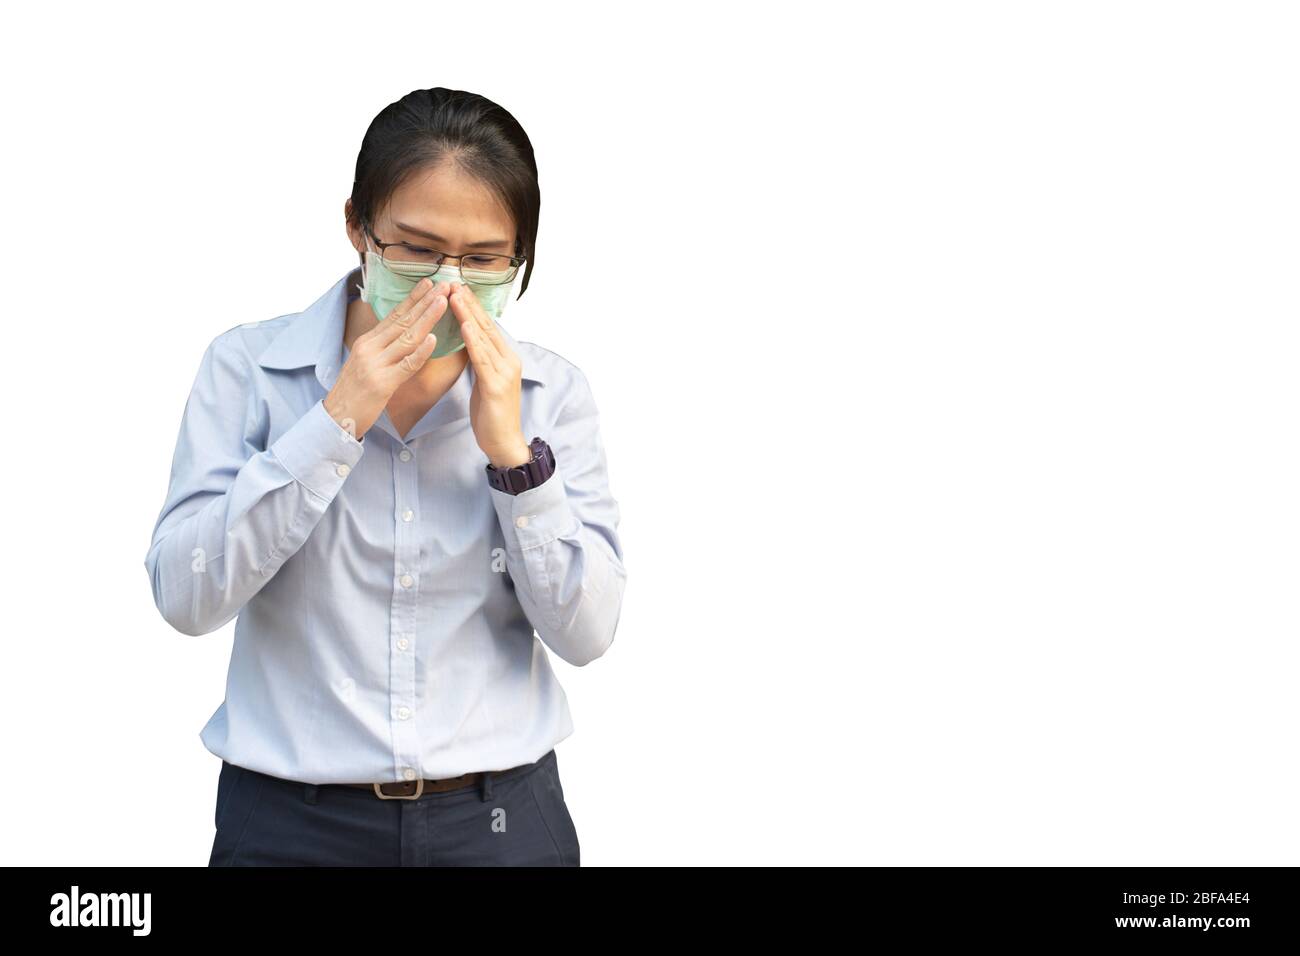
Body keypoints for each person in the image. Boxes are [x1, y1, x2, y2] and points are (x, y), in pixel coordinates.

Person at [143, 87, 626, 866]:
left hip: (501, 822)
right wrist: (335, 420)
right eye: (415, 248)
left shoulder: (552, 395)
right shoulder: (249, 371)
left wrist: (514, 459)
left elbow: (588, 632)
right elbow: (185, 598)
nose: (447, 284)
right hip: (289, 827)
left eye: (481, 260)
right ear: (357, 227)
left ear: (519, 261)